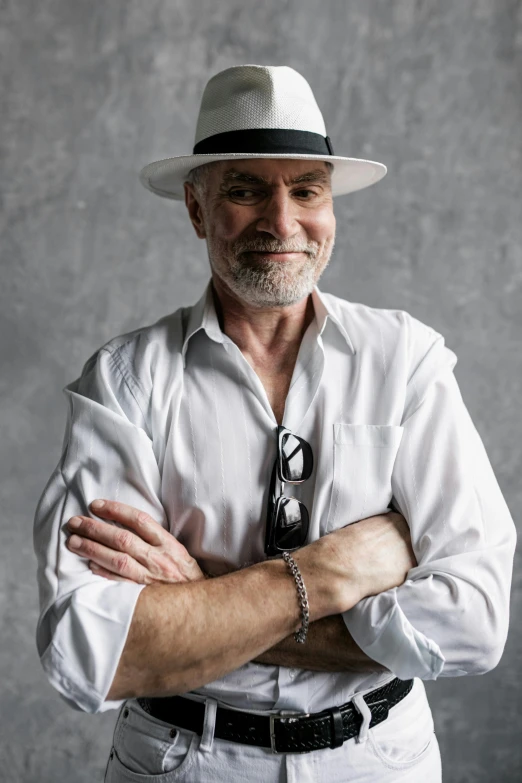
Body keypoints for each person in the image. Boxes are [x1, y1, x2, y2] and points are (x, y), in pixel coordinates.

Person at [33, 65, 516, 783]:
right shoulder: (126, 382)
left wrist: (201, 596)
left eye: (306, 190)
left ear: (330, 206)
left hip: (379, 760)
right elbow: (91, 651)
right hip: (185, 762)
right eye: (245, 188)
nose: (281, 222)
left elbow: (474, 621)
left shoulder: (405, 361)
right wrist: (333, 570)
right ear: (197, 209)